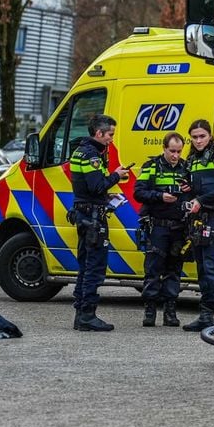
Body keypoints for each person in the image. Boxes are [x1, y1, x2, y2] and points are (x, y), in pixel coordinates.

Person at [68, 113, 131, 331]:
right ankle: (87, 316)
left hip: (85, 215)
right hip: (93, 218)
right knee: (94, 267)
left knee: (85, 267)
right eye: (110, 134)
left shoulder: (79, 152)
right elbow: (96, 186)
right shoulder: (91, 156)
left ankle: (81, 314)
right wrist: (116, 175)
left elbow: (87, 187)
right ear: (99, 133)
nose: (111, 139)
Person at [134, 132, 192, 327]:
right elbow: (138, 192)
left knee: (174, 270)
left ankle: (170, 311)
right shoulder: (151, 166)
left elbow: (196, 194)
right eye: (171, 151)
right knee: (153, 269)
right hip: (158, 226)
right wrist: (159, 196)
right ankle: (150, 310)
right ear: (164, 148)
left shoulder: (187, 167)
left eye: (178, 151)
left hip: (179, 227)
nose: (175, 155)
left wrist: (188, 191)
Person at [182, 118, 214, 331]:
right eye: (194, 137)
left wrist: (201, 200)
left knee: (212, 266)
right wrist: (189, 190)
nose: (198, 140)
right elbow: (196, 189)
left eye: (202, 136)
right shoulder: (192, 158)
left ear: (210, 135)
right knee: (202, 267)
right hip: (198, 218)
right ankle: (205, 314)